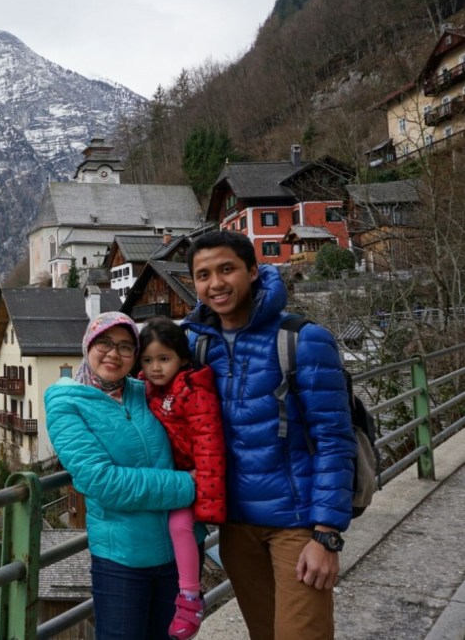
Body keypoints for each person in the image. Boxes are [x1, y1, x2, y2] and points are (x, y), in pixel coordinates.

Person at [181, 230, 355, 640]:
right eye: (204, 275)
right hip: (236, 527)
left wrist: (327, 534)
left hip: (296, 525)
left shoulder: (301, 339)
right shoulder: (197, 345)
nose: (216, 283)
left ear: (253, 271)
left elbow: (333, 439)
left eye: (227, 269)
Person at [45, 312, 196, 639]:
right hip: (122, 561)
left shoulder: (146, 391)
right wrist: (191, 485)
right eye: (104, 343)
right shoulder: (66, 402)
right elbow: (103, 482)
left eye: (126, 346)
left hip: (176, 553)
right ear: (88, 345)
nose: (113, 354)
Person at [138, 317, 227, 640]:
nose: (155, 367)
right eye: (148, 360)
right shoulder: (149, 390)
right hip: (173, 478)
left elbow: (209, 444)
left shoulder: (193, 392)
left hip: (193, 479)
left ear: (183, 358)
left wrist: (208, 500)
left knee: (179, 525)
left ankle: (190, 597)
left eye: (164, 358)